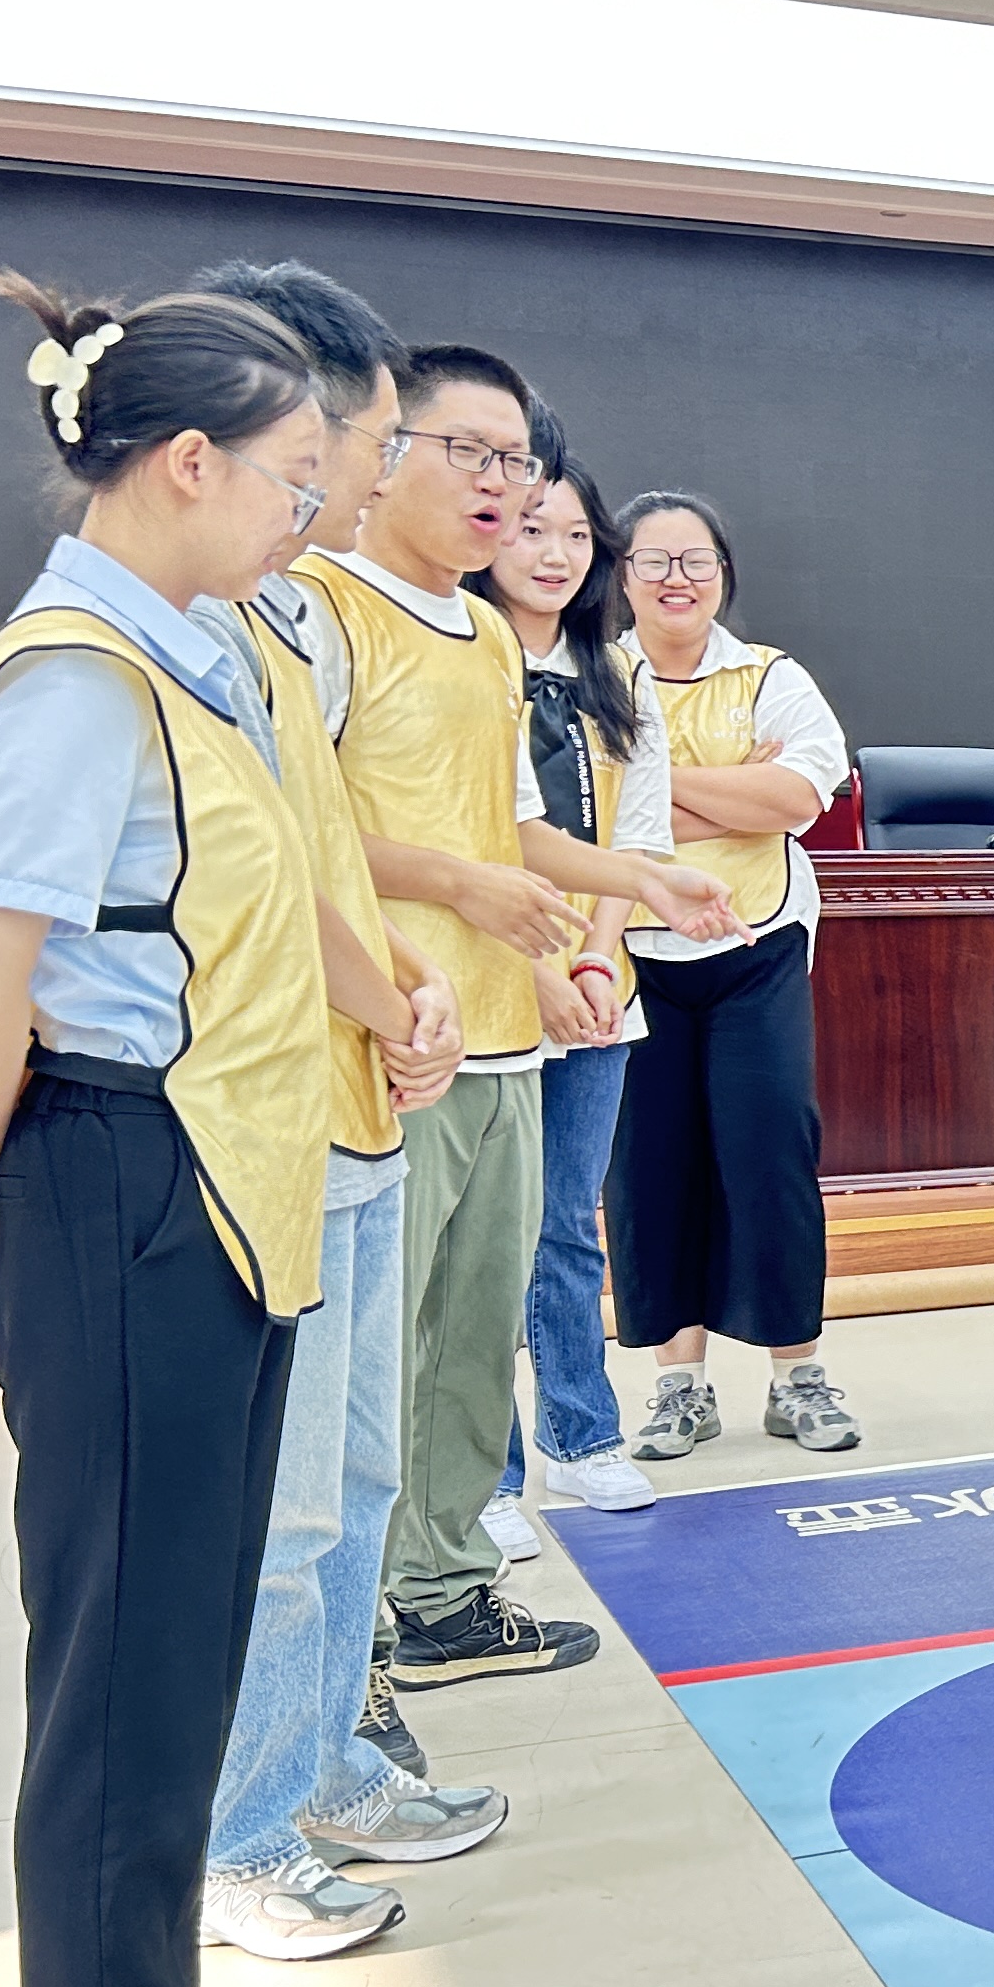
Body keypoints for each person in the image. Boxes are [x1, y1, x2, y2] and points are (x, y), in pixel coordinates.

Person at [0, 270, 388, 1987]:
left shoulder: (199, 646)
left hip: (215, 1183)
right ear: (180, 464)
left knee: (176, 1665)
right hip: (118, 1183)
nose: (304, 516)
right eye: (284, 479)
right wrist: (0, 1221)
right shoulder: (78, 677)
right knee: (119, 1682)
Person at [305, 347, 728, 1694]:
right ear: (382, 451)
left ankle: (440, 1589)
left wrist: (637, 876)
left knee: (474, 1338)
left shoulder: (488, 640)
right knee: (380, 1356)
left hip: (502, 1042)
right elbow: (284, 837)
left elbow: (518, 829)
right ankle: (342, 1642)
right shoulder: (317, 611)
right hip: (381, 1043)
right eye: (469, 454)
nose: (502, 489)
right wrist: (454, 889)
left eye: (521, 463)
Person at [177, 258, 503, 1965]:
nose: (370, 482)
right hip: (267, 1123)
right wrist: (390, 988)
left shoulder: (291, 614)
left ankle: (319, 1764)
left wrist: (407, 999)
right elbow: (256, 879)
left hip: (364, 1098)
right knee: (285, 1513)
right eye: (360, 447)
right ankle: (237, 1838)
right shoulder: (164, 632)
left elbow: (326, 841)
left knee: (356, 1480)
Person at [606, 489, 860, 1461]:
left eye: (696, 560)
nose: (676, 578)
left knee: (770, 1154)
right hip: (632, 952)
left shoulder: (770, 675)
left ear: (723, 576)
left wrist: (648, 789)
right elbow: (582, 812)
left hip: (756, 949)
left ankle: (799, 1378)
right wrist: (731, 797)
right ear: (623, 575)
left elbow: (801, 794)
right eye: (654, 560)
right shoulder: (597, 678)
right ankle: (680, 1387)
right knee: (654, 1167)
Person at [480, 457, 670, 1550]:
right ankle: (485, 1472)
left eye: (575, 538)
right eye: (530, 531)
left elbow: (633, 843)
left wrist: (595, 962)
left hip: (600, 994)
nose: (553, 555)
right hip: (491, 992)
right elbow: (473, 838)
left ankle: (584, 1436)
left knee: (565, 1225)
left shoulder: (618, 679)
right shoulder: (459, 657)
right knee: (483, 1238)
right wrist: (535, 974)